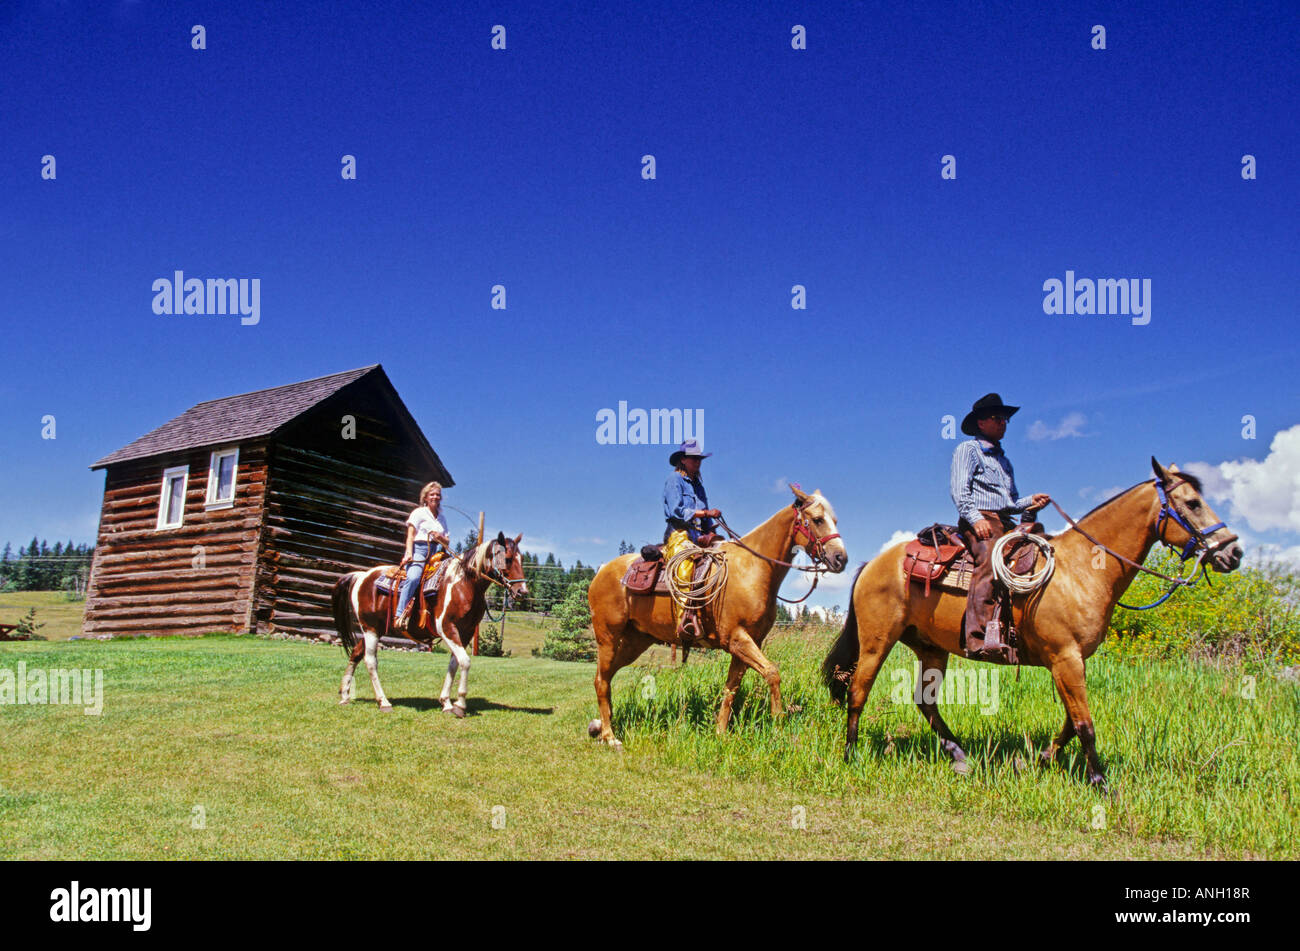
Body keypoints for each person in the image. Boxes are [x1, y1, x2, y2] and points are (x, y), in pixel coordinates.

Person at [950, 394, 1050, 661]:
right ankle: (977, 637)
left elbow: (1011, 502)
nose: (1004, 423)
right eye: (998, 418)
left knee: (1040, 547)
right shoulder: (967, 450)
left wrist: (1031, 502)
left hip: (1005, 521)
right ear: (981, 423)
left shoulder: (1004, 461)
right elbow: (960, 492)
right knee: (990, 560)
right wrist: (975, 519)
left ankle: (1019, 627)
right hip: (980, 520)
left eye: (1005, 419)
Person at [395, 481, 452, 633]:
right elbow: (411, 535)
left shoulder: (442, 517)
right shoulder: (419, 512)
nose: (435, 497)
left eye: (438, 495)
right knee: (414, 577)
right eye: (432, 494)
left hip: (436, 552)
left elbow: (447, 541)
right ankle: (399, 614)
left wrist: (440, 537)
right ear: (425, 497)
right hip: (419, 549)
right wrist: (409, 553)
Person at [663, 439, 721, 545]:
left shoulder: (699, 486)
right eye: (694, 458)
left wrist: (711, 530)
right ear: (683, 459)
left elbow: (706, 516)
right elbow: (677, 512)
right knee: (685, 562)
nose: (698, 462)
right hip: (678, 535)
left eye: (699, 459)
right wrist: (706, 513)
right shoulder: (675, 479)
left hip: (700, 536)